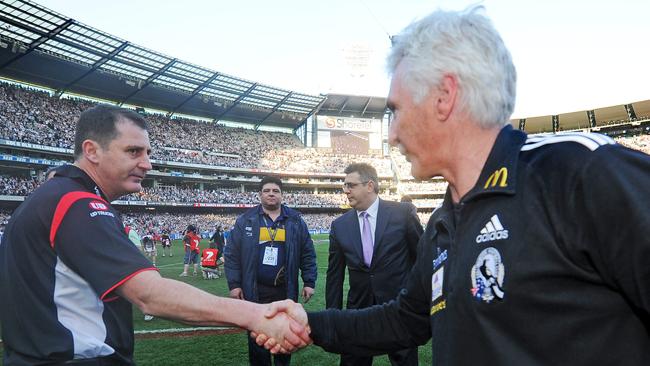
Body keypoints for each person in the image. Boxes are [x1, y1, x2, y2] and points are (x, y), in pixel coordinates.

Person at [256, 7, 650, 365]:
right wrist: (311, 323)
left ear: (444, 97)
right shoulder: (447, 221)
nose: (391, 135)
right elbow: (405, 319)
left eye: (396, 111)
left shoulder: (578, 172)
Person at [0, 105, 308, 365]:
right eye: (133, 151)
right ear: (91, 151)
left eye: (147, 152)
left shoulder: (52, 197)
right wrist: (256, 315)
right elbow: (149, 294)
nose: (147, 164)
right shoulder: (76, 203)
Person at [326, 163, 422, 366]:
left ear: (370, 185)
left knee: (405, 361)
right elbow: (335, 275)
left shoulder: (402, 214)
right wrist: (331, 317)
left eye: (351, 185)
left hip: (398, 308)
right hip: (358, 311)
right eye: (344, 186)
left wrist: (417, 299)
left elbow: (421, 258)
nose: (346, 190)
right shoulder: (339, 225)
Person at [225, 175, 317, 366]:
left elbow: (307, 252)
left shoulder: (295, 220)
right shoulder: (246, 220)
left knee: (284, 337)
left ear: (282, 195)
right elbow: (232, 254)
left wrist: (309, 281)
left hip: (285, 290)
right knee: (257, 340)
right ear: (260, 194)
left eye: (275, 191)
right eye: (267, 191)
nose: (271, 194)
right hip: (254, 290)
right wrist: (234, 285)